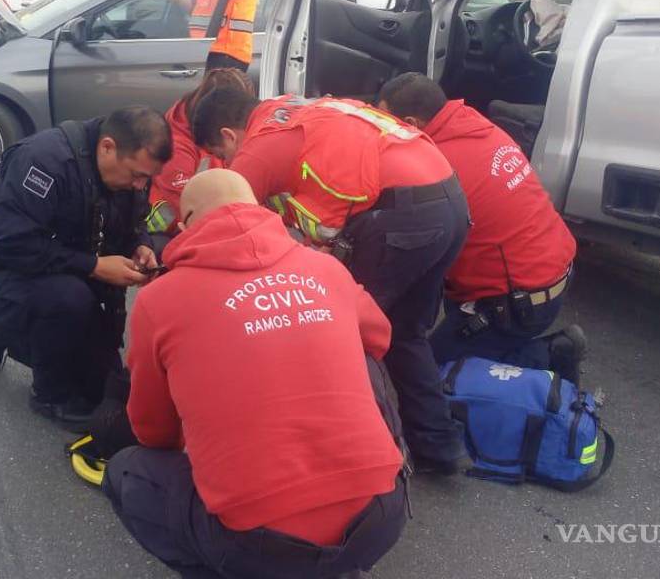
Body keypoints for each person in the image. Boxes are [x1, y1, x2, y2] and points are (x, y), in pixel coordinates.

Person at [104, 169, 408, 578]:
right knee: (364, 354)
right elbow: (379, 337)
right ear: (258, 208)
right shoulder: (326, 268)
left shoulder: (159, 300)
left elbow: (152, 431)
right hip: (382, 517)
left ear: (187, 221)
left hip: (253, 542)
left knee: (126, 470)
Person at [191, 89, 472, 475]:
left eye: (221, 154)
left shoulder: (256, 150)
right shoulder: (294, 108)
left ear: (227, 134)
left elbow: (223, 232)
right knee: (406, 331)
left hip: (400, 215)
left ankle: (363, 454)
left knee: (345, 331)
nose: (226, 163)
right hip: (449, 198)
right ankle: (439, 445)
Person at [0, 107, 172, 429]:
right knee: (68, 299)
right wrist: (95, 266)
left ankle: (7, 334)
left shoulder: (126, 173)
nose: (140, 185)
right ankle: (49, 396)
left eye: (147, 178)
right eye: (135, 175)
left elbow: (133, 220)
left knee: (103, 385)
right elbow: (10, 245)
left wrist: (139, 245)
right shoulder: (44, 162)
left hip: (62, 271)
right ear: (108, 147)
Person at [376, 73, 585, 382]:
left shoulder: (436, 165)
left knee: (428, 374)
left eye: (384, 122)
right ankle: (486, 345)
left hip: (520, 304)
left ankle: (551, 353)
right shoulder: (471, 124)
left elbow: (411, 251)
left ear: (413, 123)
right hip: (550, 271)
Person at [143, 68, 254, 252]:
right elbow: (187, 208)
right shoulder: (176, 147)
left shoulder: (216, 129)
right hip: (172, 231)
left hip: (210, 220)